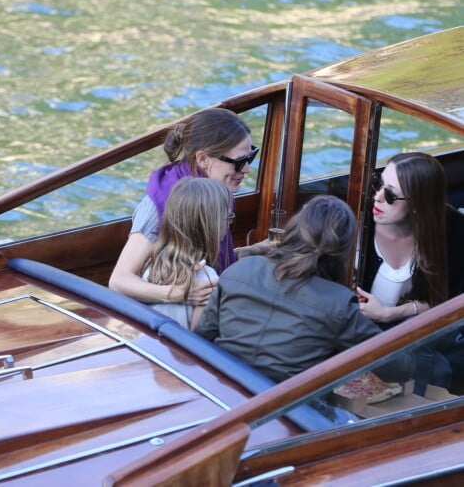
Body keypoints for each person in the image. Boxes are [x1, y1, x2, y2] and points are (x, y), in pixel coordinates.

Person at [195, 195, 413, 383]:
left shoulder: (239, 269)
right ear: (342, 252)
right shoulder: (339, 304)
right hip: (285, 413)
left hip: (222, 390)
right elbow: (399, 369)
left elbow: (202, 337)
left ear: (294, 229)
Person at [109, 107, 265, 306]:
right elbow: (119, 280)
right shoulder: (165, 202)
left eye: (250, 157)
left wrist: (255, 251)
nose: (246, 169)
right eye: (239, 162)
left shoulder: (215, 191)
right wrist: (178, 294)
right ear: (202, 159)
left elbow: (202, 259)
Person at [356, 152, 464, 393]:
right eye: (378, 183)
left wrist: (389, 313)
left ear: (418, 205)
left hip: (418, 340)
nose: (377, 197)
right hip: (357, 338)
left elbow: (451, 304)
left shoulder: (453, 232)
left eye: (391, 195)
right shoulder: (357, 217)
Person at [144, 177, 233, 330]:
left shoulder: (151, 264)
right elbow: (196, 340)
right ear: (212, 226)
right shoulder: (208, 280)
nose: (229, 224)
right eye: (229, 217)